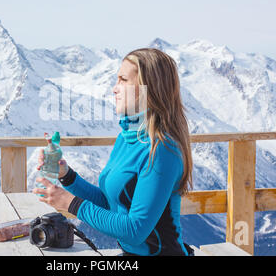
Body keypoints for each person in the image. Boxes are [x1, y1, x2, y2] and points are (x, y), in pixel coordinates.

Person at [32, 48, 194, 256]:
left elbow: (135, 230)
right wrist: (67, 176)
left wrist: (69, 203)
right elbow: (112, 204)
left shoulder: (162, 149)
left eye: (123, 80)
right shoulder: (126, 139)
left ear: (149, 89)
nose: (114, 89)